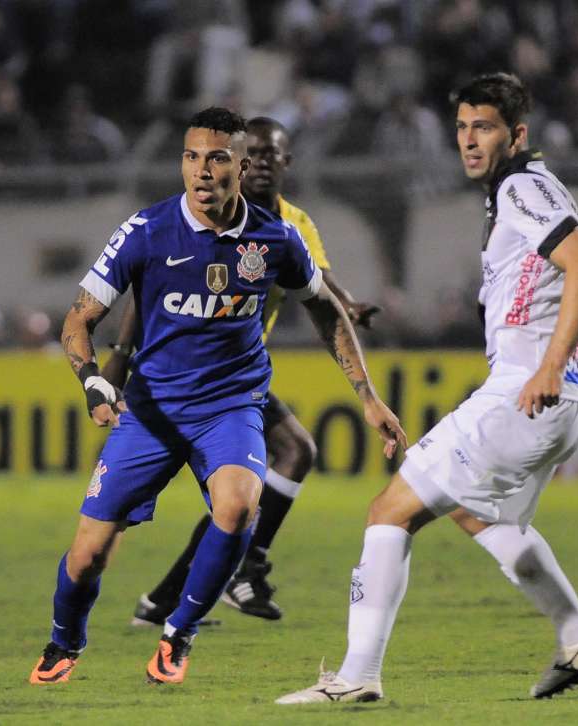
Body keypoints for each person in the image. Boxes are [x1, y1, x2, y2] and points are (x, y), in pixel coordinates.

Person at [277, 73, 578, 704]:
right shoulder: (539, 192)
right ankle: (576, 632)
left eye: (484, 128)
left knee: (389, 511)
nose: (469, 141)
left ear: (516, 134)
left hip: (528, 391)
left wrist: (551, 364)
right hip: (564, 402)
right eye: (462, 128)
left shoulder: (521, 187)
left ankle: (357, 677)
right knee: (476, 512)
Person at [28, 107, 405, 687]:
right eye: (191, 157)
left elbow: (324, 309)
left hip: (231, 407)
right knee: (88, 557)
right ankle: (64, 642)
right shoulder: (145, 231)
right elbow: (79, 319)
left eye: (217, 158)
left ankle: (177, 635)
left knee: (237, 505)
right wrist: (93, 379)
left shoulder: (277, 238)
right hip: (151, 412)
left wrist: (367, 397)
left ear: (242, 164)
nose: (202, 171)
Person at [103, 116, 381, 625]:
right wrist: (120, 355)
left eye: (271, 154)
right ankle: (231, 572)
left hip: (233, 377)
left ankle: (167, 598)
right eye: (250, 152)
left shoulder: (290, 226)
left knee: (248, 491)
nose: (260, 163)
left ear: (282, 163)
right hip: (182, 374)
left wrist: (351, 305)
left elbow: (318, 283)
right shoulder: (203, 214)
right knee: (273, 467)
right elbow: (148, 288)